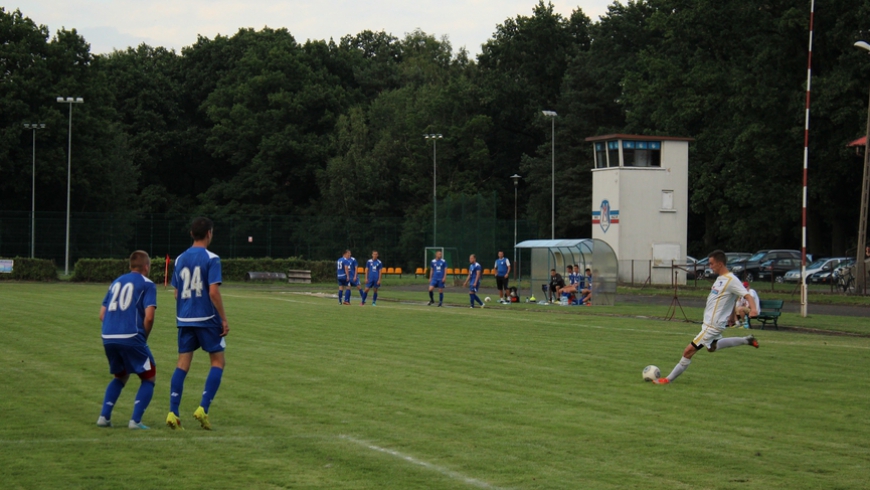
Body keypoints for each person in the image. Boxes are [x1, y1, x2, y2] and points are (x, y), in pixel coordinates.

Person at [654, 250, 759, 385]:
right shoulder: (720, 279)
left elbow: (747, 295)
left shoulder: (731, 280)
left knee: (688, 351)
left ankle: (667, 380)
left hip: (712, 326)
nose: (710, 266)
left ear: (720, 264)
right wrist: (732, 315)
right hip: (709, 323)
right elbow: (729, 299)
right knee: (711, 348)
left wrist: (754, 309)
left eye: (711, 263)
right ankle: (747, 340)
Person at [167, 217, 229, 430]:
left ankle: (173, 412)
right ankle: (203, 408)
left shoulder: (180, 259)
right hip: (206, 318)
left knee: (182, 364)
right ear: (209, 233)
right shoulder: (212, 258)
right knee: (218, 362)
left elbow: (176, 293)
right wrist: (223, 318)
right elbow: (213, 292)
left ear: (191, 234)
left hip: (184, 318)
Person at [96, 250, 158, 430]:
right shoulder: (147, 284)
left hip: (108, 336)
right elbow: (149, 317)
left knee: (121, 375)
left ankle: (104, 417)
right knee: (149, 376)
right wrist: (142, 338)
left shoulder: (116, 282)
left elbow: (102, 314)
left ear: (131, 266)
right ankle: (135, 421)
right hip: (131, 336)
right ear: (146, 267)